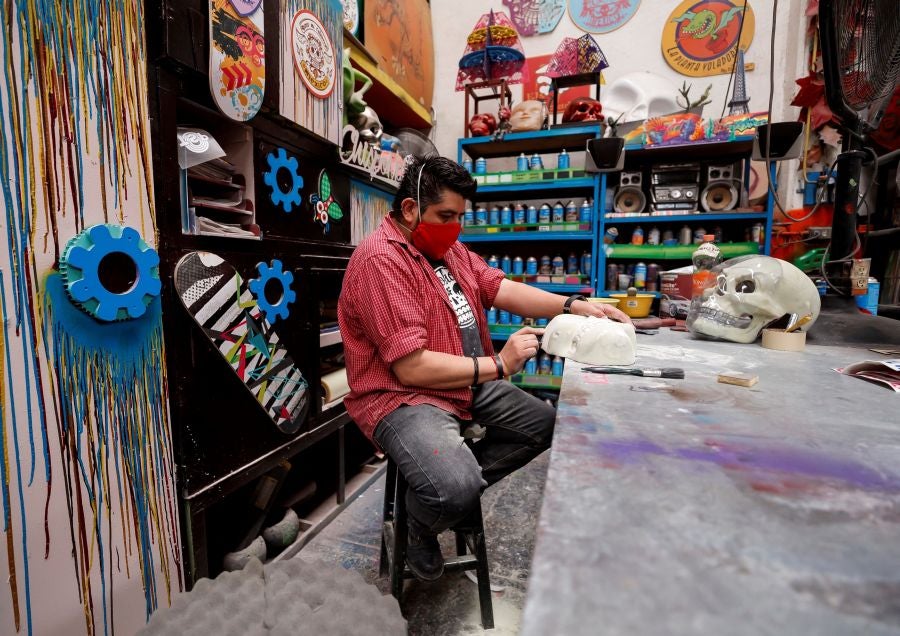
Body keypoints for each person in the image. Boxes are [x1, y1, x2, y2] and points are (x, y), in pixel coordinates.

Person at [338, 156, 630, 581]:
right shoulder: (381, 262)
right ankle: (421, 521)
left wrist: (574, 305)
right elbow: (411, 369)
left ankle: (445, 491)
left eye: (460, 216)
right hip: (403, 397)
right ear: (409, 209)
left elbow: (501, 288)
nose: (455, 227)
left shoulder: (447, 250)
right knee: (453, 487)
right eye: (445, 216)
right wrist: (498, 363)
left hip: (462, 381)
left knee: (546, 424)